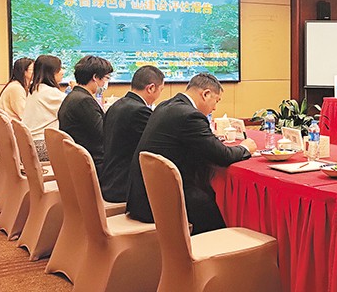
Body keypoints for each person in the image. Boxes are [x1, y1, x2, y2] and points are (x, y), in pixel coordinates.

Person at [127, 73, 258, 234]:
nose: (215, 108)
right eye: (216, 101)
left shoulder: (165, 105)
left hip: (142, 196)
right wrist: (245, 148)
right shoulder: (190, 115)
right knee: (207, 206)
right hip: (158, 203)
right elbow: (223, 156)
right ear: (206, 94)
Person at [100, 66, 165, 203]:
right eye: (161, 90)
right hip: (124, 187)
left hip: (109, 180)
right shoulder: (140, 111)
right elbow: (156, 147)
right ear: (151, 88)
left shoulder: (116, 105)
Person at [58, 55, 113, 176]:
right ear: (95, 77)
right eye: (106, 78)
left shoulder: (74, 96)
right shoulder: (84, 101)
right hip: (93, 164)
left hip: (78, 161)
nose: (105, 83)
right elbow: (104, 135)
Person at [23, 55, 66, 161]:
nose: (63, 72)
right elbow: (73, 105)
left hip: (28, 144)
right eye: (60, 69)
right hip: (42, 145)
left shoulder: (35, 89)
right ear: (51, 72)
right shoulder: (50, 93)